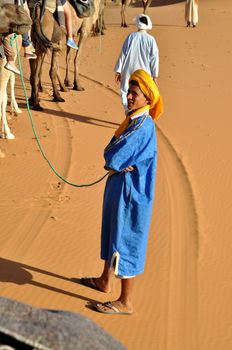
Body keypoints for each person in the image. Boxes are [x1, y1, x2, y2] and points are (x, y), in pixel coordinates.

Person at [80, 69, 163, 315]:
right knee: (113, 233)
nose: (129, 96)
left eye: (135, 93)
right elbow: (115, 155)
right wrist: (114, 160)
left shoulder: (141, 126)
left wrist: (112, 160)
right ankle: (105, 281)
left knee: (127, 240)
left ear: (147, 98)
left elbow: (113, 155)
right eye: (129, 91)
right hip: (121, 186)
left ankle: (126, 301)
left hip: (131, 193)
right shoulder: (133, 121)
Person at [114, 14, 159, 112]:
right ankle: (140, 114)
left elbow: (123, 54)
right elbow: (154, 59)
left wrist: (118, 70)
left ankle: (128, 111)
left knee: (125, 90)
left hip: (128, 68)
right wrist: (155, 76)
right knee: (144, 92)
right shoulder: (151, 39)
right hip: (144, 71)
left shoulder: (131, 37)